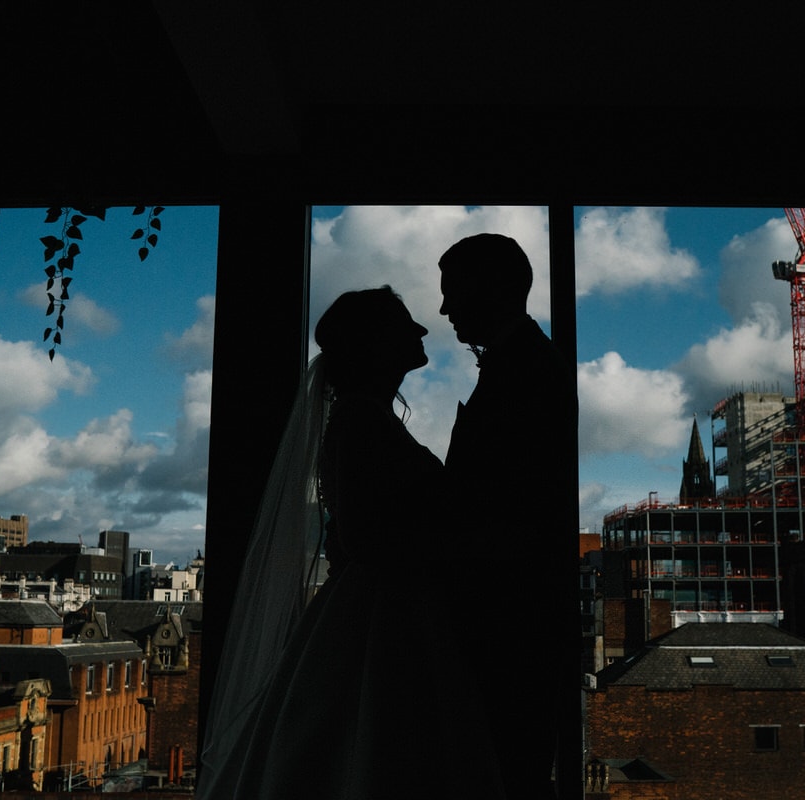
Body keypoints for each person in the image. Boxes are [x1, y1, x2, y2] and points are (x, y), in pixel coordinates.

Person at [198, 286, 504, 800]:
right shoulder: (362, 420)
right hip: (387, 615)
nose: (424, 330)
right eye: (408, 323)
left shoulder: (365, 417)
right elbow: (366, 537)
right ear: (377, 342)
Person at [438, 233, 575, 800]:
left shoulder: (527, 370)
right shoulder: (521, 363)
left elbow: (513, 506)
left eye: (452, 293)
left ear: (491, 289)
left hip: (507, 630)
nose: (444, 309)